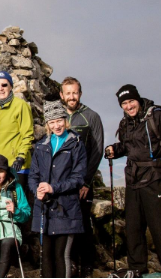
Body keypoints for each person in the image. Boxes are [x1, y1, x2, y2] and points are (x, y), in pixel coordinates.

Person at [105, 85, 161, 277]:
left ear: (138, 100)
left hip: (154, 181)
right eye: (124, 103)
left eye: (131, 101)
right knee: (133, 231)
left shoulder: (156, 118)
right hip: (133, 181)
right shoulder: (125, 123)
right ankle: (137, 271)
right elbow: (127, 147)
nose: (129, 106)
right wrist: (115, 149)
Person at [29, 94, 87, 278]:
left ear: (65, 120)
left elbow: (78, 178)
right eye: (52, 122)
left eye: (59, 120)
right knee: (46, 256)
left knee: (62, 255)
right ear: (47, 124)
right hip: (44, 209)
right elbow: (33, 176)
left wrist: (53, 188)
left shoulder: (76, 144)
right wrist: (37, 190)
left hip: (66, 208)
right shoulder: (40, 146)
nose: (56, 126)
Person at [60, 77, 104, 277]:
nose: (71, 97)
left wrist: (86, 181)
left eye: (75, 92)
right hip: (62, 182)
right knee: (66, 222)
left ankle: (87, 263)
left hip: (82, 181)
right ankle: (71, 263)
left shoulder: (91, 116)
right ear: (62, 95)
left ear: (80, 93)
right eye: (68, 93)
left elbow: (97, 150)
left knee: (83, 222)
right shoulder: (58, 117)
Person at [0, 71, 34, 204]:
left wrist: (21, 157)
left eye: (4, 85)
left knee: (18, 206)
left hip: (16, 165)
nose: (0, 88)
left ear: (11, 86)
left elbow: (28, 134)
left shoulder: (21, 106)